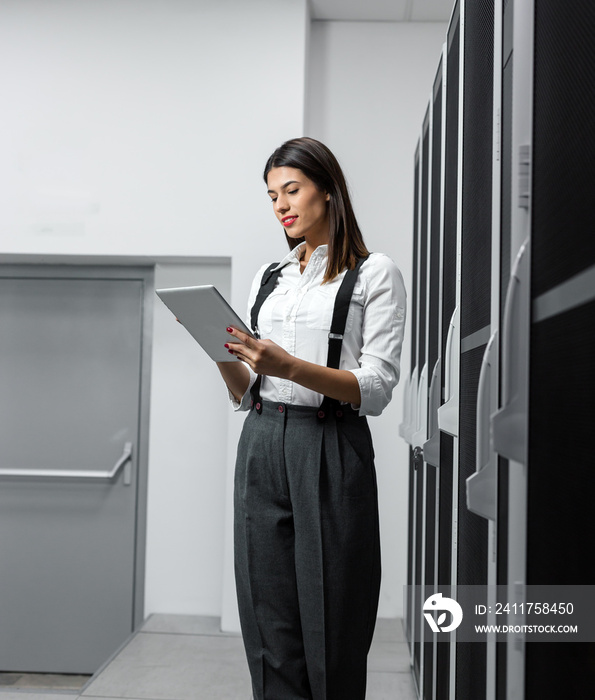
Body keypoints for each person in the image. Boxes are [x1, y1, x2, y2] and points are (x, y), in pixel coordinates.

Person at [216, 137, 406, 700]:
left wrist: (290, 366)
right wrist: (221, 358)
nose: (281, 204)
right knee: (265, 615)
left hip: (329, 443)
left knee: (333, 620)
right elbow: (248, 386)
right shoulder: (268, 278)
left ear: (328, 188)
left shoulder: (374, 274)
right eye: (272, 195)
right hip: (260, 439)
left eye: (291, 189)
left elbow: (374, 389)